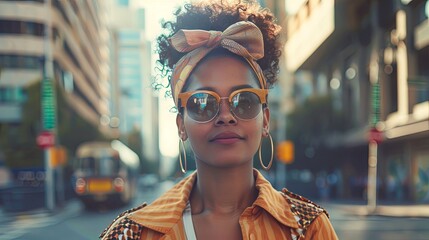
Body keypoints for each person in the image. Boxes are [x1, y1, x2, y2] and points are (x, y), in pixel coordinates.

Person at [100, 0, 338, 239]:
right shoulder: (131, 233)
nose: (226, 116)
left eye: (244, 101)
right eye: (203, 103)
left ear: (265, 119)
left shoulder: (309, 229)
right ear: (181, 125)